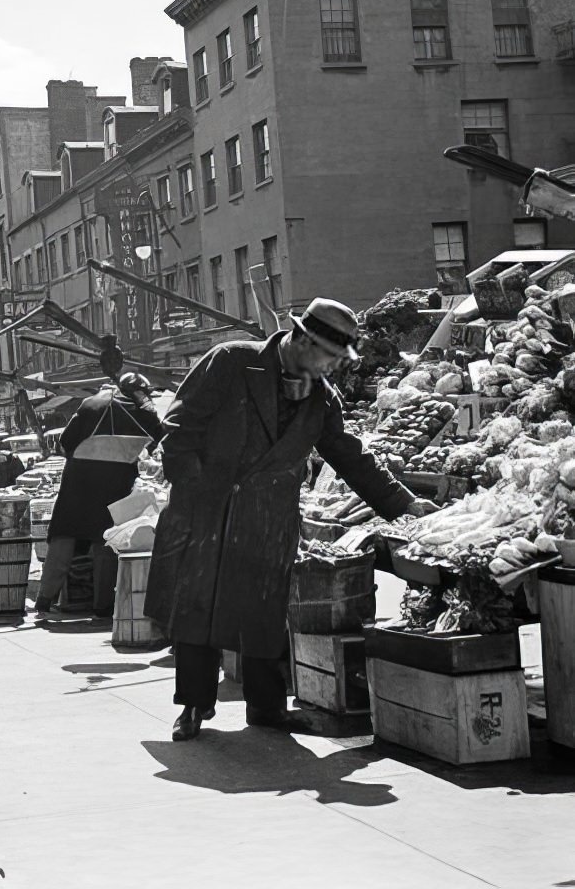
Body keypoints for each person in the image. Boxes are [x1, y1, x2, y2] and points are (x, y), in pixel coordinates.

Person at [144, 298, 438, 742]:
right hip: (208, 510)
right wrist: (193, 492)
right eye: (330, 356)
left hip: (268, 521)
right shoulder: (232, 361)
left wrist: (404, 505)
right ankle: (193, 705)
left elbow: (350, 456)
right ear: (301, 339)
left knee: (264, 614)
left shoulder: (320, 399)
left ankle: (267, 709)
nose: (334, 367)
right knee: (197, 611)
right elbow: (180, 429)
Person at [36, 372, 163, 619]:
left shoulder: (92, 403)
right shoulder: (144, 412)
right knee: (105, 540)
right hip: (115, 483)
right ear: (140, 392)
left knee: (64, 535)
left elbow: (66, 440)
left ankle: (44, 599)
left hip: (79, 480)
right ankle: (102, 605)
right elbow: (158, 438)